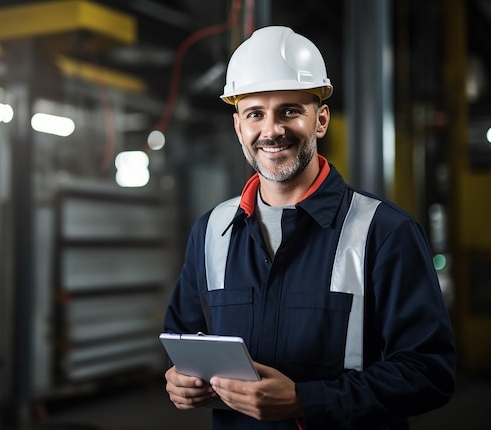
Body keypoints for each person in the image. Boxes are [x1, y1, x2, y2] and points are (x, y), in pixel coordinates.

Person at [163, 26, 456, 430]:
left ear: (320, 120)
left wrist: (305, 401)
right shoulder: (212, 231)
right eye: (255, 114)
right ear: (238, 128)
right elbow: (182, 337)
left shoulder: (385, 231)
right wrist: (180, 379)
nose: (271, 130)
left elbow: (430, 373)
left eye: (289, 110)